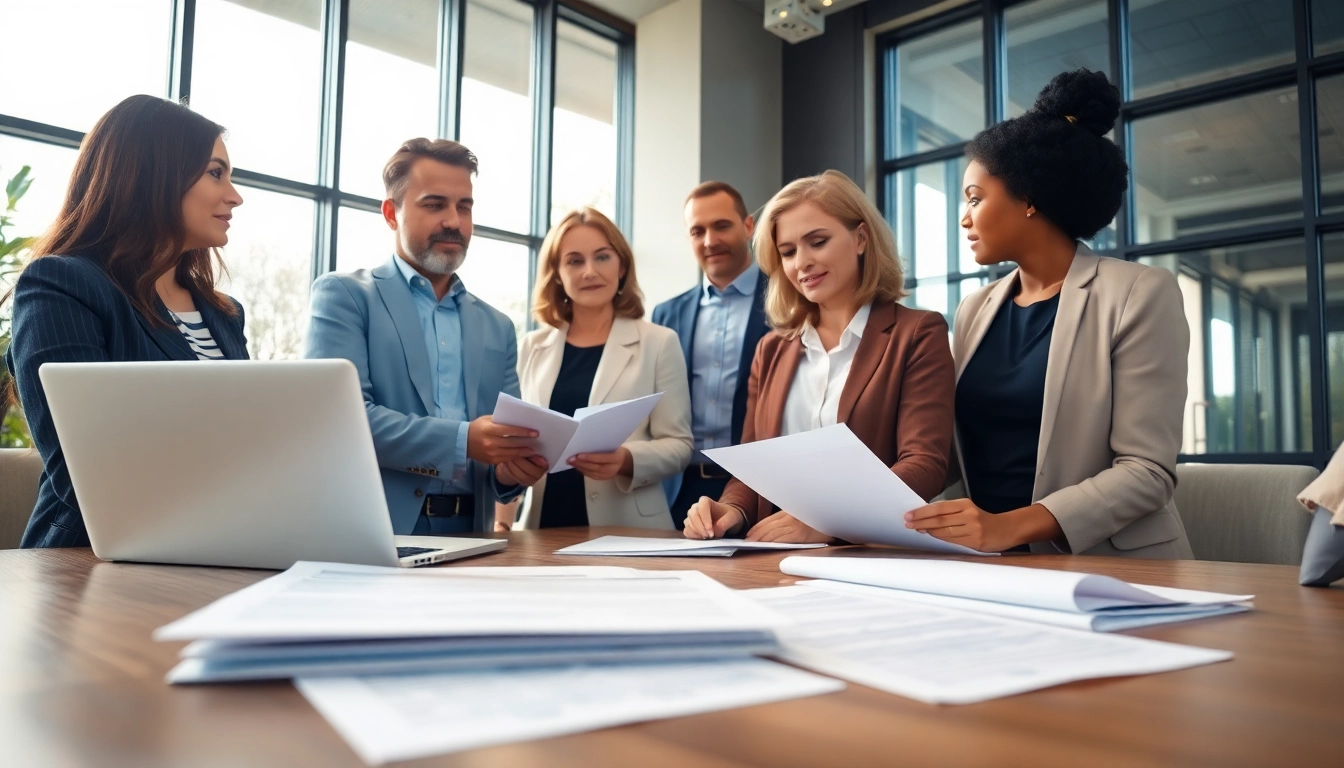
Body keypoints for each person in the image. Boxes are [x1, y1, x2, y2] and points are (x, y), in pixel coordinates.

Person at [904, 69, 1193, 558]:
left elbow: (1147, 472)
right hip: (986, 561)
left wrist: (1009, 527)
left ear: (1029, 199)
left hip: (1108, 565)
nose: (964, 217)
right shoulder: (974, 309)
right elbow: (954, 450)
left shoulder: (1139, 293)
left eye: (975, 198)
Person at [3, 95, 248, 548]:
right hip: (91, 562)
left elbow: (248, 448)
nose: (235, 196)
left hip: (226, 546)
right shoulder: (62, 285)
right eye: (216, 173)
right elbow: (87, 475)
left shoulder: (223, 314)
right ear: (154, 175)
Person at [684, 170, 955, 543]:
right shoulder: (771, 349)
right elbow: (752, 469)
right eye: (788, 252)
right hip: (775, 557)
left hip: (874, 554)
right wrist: (730, 510)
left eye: (818, 242)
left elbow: (925, 465)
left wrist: (830, 522)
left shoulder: (917, 333)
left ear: (860, 238)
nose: (802, 263)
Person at [304, 138, 544, 536]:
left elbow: (497, 471)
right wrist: (464, 441)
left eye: (464, 207)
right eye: (434, 205)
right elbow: (340, 420)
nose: (454, 221)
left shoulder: (498, 326)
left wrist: (510, 470)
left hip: (475, 538)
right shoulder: (344, 296)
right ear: (391, 213)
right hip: (373, 534)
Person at [508, 208, 692, 530]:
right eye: (574, 261)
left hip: (630, 530)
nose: (589, 271)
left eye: (602, 257)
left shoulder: (659, 342)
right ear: (557, 274)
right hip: (541, 527)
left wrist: (626, 460)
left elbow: (679, 445)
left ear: (622, 266)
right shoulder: (530, 347)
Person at [652, 182, 771, 530]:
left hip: (760, 489)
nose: (709, 241)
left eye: (721, 226)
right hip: (680, 490)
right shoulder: (666, 315)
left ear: (748, 226)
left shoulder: (788, 300)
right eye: (697, 231)